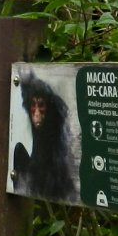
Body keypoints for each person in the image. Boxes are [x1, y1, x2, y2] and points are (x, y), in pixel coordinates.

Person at [12, 73, 76, 202]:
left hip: (54, 177)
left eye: (41, 106)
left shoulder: (56, 121)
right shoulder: (32, 119)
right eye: (33, 106)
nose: (36, 114)